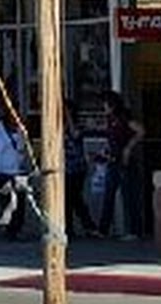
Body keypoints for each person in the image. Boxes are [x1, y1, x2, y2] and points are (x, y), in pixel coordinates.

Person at [96, 89, 145, 240]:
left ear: (112, 104)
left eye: (105, 103)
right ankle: (103, 230)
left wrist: (128, 148)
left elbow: (141, 131)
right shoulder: (110, 119)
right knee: (109, 195)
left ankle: (135, 231)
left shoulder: (124, 117)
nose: (103, 107)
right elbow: (111, 139)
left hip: (125, 161)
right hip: (113, 159)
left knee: (129, 195)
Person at [0, 105, 33, 240]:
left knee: (20, 202)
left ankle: (18, 228)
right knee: (7, 202)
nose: (16, 118)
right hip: (3, 171)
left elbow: (23, 148)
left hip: (19, 171)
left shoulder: (20, 129)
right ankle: (10, 230)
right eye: (13, 115)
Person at [62, 100, 98, 239]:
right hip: (65, 167)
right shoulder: (59, 126)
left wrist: (69, 117)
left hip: (77, 167)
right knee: (70, 199)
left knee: (74, 197)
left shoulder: (77, 125)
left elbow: (75, 135)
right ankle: (75, 227)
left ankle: (86, 226)